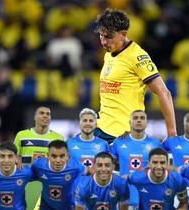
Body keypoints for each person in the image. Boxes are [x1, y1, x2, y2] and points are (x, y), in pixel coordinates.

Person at [93, 8, 177, 144]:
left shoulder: (137, 56)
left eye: (108, 37)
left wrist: (172, 133)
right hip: (101, 128)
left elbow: (163, 92)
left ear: (123, 34)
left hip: (122, 135)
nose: (103, 42)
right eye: (101, 35)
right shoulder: (108, 53)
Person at [111, 110, 163, 208]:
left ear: (146, 122)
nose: (139, 120)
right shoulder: (119, 142)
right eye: (135, 118)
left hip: (148, 195)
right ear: (130, 122)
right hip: (125, 195)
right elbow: (109, 165)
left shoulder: (155, 144)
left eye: (142, 118)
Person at [0, 141, 36, 210]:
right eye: (2, 156)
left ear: (16, 158)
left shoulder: (26, 173)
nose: (6, 160)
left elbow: (44, 173)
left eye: (10, 156)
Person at [31, 140, 87, 210]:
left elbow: (90, 172)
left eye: (62, 156)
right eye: (54, 156)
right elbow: (25, 174)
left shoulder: (76, 167)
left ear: (67, 156)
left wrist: (81, 201)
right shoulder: (38, 165)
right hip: (46, 206)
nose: (58, 160)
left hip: (68, 207)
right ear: (48, 156)